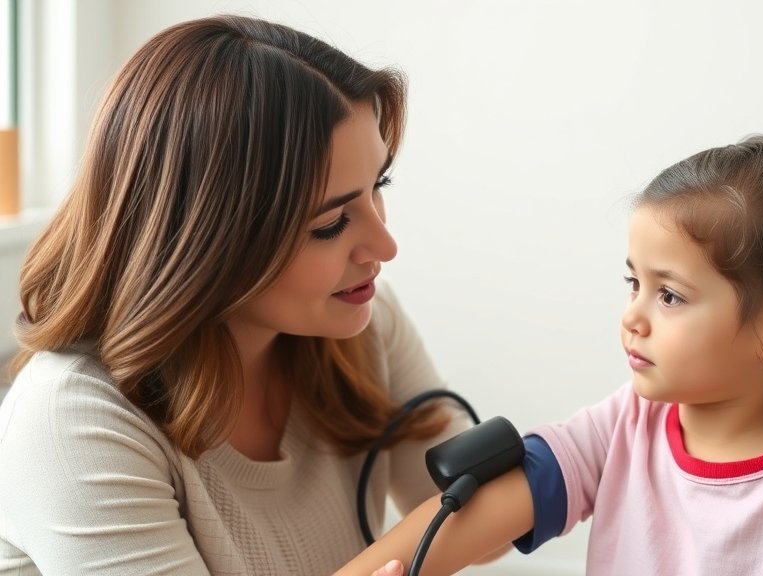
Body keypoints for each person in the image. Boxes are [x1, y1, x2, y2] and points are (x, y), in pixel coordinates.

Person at [337, 132, 763, 576]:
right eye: (634, 284)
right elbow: (477, 515)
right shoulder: (626, 426)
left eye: (670, 295)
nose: (632, 317)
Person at [0, 15, 473, 575]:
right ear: (205, 240)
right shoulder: (75, 422)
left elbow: (484, 519)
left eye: (378, 188)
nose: (385, 245)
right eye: (329, 223)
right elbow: (467, 518)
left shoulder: (364, 323)